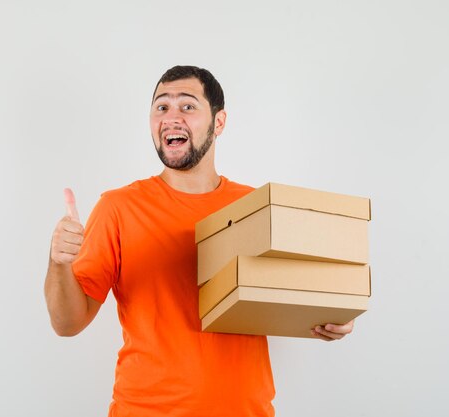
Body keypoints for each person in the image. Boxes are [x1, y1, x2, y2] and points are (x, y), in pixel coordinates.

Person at [44, 65, 354, 417]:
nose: (171, 117)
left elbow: (291, 291)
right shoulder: (118, 207)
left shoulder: (254, 208)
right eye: (161, 107)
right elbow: (66, 323)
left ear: (218, 123)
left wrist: (333, 314)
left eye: (187, 106)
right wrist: (59, 263)